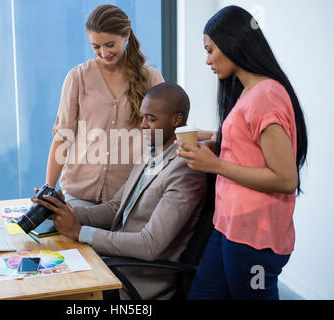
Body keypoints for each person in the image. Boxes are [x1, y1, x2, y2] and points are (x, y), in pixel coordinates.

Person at [176, 6, 308, 300]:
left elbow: (285, 178)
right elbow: (247, 143)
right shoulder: (249, 91)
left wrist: (216, 165)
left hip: (254, 239)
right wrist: (210, 139)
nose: (207, 60)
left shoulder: (267, 95)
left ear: (233, 43)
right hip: (229, 227)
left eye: (211, 50)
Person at [33, 83, 207, 300]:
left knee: (46, 294)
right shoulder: (151, 155)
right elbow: (116, 208)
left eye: (151, 119)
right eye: (142, 117)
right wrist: (64, 211)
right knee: (37, 275)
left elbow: (150, 244)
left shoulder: (185, 172)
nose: (142, 125)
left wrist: (80, 232)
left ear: (176, 120)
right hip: (112, 265)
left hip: (135, 282)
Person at [46, 4, 164, 207]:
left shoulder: (150, 79)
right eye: (96, 46)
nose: (104, 52)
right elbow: (63, 136)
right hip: (79, 192)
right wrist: (48, 188)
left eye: (110, 45)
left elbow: (164, 135)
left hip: (129, 195)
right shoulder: (78, 77)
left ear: (126, 35)